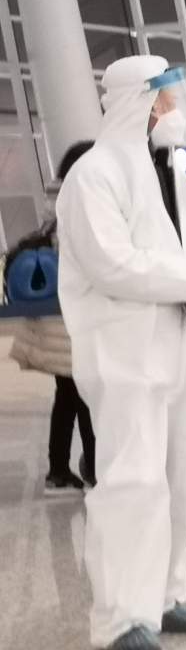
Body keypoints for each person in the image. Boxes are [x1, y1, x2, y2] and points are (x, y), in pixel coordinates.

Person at [55, 55, 186, 650]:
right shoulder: (94, 174)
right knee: (133, 480)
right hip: (125, 351)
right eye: (166, 98)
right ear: (139, 101)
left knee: (185, 477)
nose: (174, 108)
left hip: (179, 343)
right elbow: (112, 263)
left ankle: (163, 595)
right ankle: (120, 617)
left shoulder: (168, 173)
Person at [8, 141, 97, 491]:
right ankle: (93, 469)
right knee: (85, 396)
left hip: (55, 319)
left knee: (69, 396)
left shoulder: (56, 200)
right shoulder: (82, 202)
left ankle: (59, 469)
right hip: (72, 320)